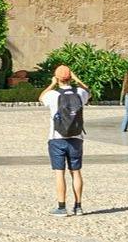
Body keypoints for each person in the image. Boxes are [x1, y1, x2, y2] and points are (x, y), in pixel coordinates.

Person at [41, 64, 89, 216]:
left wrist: (52, 84)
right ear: (70, 77)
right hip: (76, 138)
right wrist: (77, 80)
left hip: (57, 138)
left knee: (59, 173)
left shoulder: (53, 95)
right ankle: (78, 206)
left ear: (57, 78)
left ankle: (62, 207)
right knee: (76, 172)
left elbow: (41, 97)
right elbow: (88, 91)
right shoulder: (80, 92)